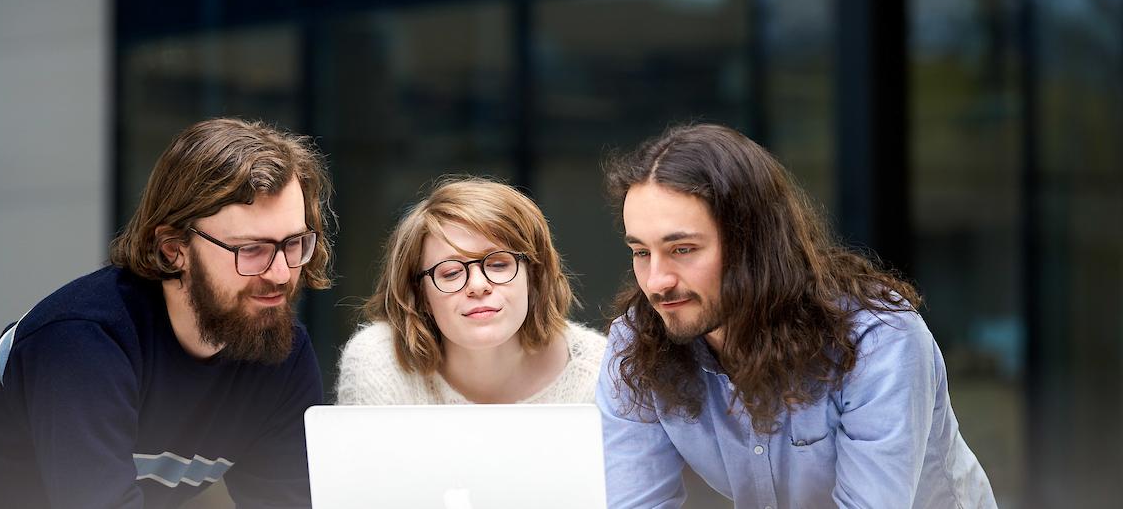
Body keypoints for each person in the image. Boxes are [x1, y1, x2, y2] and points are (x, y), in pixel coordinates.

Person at [0, 118, 332, 509]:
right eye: (252, 250)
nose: (281, 273)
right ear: (174, 249)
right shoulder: (85, 339)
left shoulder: (279, 351)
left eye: (295, 244)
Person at [596, 123, 996, 508]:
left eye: (682, 249)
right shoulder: (637, 345)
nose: (657, 281)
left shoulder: (877, 338)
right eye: (641, 252)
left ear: (752, 244)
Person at [336, 176, 605, 405]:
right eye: (451, 272)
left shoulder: (598, 371)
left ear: (533, 276)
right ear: (421, 295)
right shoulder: (379, 363)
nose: (477, 286)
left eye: (499, 264)